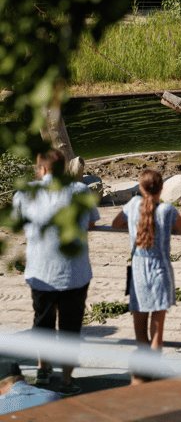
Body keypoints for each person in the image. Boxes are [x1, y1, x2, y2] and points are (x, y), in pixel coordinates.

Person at [12, 149, 100, 397]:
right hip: (75, 272)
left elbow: (19, 222)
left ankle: (43, 368)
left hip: (41, 270)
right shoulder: (80, 191)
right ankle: (68, 379)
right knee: (71, 327)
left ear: (41, 169)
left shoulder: (26, 193)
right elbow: (92, 221)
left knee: (42, 322)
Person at [111, 169, 181, 384]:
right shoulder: (166, 209)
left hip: (137, 273)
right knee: (157, 333)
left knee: (140, 335)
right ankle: (153, 372)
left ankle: (143, 373)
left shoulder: (132, 206)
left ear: (140, 187)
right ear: (161, 188)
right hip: (160, 272)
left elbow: (115, 224)